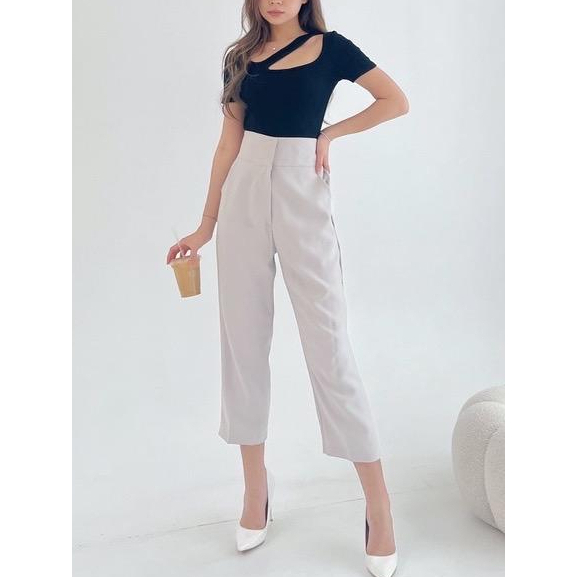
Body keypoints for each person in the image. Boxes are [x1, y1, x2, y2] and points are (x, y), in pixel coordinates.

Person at [165, 1, 409, 575]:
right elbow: (227, 145)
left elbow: (394, 100)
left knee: (330, 348)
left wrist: (330, 133)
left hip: (303, 187)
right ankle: (256, 491)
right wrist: (205, 225)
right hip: (244, 191)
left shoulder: (334, 48)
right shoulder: (240, 58)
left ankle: (379, 505)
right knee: (243, 344)